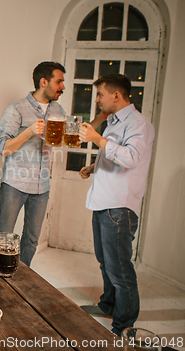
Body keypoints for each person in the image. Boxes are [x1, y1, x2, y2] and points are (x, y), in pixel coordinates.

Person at [79, 74, 155, 336]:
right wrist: (93, 166)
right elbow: (115, 155)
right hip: (103, 202)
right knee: (105, 261)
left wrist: (96, 138)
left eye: (100, 95)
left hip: (119, 207)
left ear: (116, 96)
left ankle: (125, 326)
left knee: (120, 268)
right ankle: (108, 305)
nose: (97, 100)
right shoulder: (115, 122)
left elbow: (131, 157)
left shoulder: (139, 124)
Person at [0, 61, 66, 266]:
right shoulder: (16, 108)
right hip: (14, 184)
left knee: (32, 241)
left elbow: (57, 143)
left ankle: (21, 280)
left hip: (41, 186)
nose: (63, 86)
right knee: (3, 237)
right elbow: (4, 148)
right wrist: (29, 132)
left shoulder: (58, 109)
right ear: (44, 82)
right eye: (59, 81)